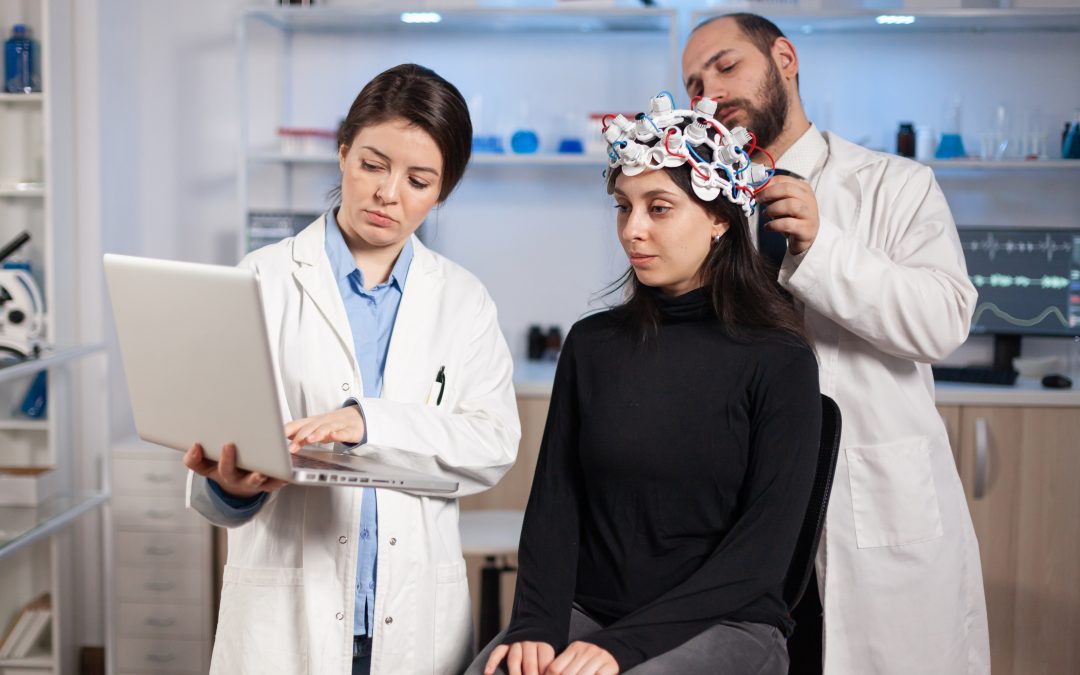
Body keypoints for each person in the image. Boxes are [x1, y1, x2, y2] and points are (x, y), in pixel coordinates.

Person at [182, 63, 521, 675]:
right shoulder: (260, 279)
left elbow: (494, 444)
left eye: (419, 180)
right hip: (284, 614)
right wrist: (228, 487)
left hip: (413, 618)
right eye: (372, 165)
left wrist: (368, 422)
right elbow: (214, 452)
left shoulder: (463, 300)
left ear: (441, 191)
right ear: (342, 155)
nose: (389, 193)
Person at [468, 97, 822, 675]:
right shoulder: (592, 345)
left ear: (718, 219)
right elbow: (557, 503)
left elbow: (760, 559)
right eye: (623, 207)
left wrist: (623, 647)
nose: (632, 230)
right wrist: (536, 620)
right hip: (591, 614)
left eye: (659, 208)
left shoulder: (779, 360)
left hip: (726, 621)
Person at [681, 13, 989, 674]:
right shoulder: (705, 210)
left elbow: (944, 320)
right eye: (693, 85)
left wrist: (825, 248)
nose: (710, 93)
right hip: (743, 524)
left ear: (784, 59)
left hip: (869, 518)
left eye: (726, 66)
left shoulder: (893, 185)